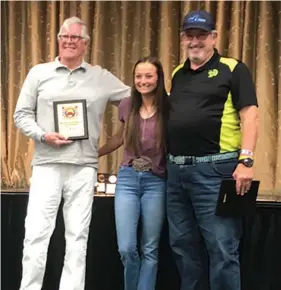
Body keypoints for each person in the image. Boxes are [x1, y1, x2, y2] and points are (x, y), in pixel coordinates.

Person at [13, 16, 130, 290]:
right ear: (58, 40)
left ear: (86, 44)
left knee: (78, 238)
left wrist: (133, 128)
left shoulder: (100, 77)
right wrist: (44, 135)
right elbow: (20, 114)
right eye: (64, 36)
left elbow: (137, 98)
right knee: (35, 235)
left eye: (75, 37)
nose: (68, 41)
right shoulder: (38, 73)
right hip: (46, 165)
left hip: (83, 168)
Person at [166, 10, 259, 290]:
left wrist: (246, 160)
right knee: (182, 246)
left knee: (222, 248)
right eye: (190, 35)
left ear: (214, 37)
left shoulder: (233, 68)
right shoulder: (177, 73)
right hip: (176, 172)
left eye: (201, 35)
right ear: (183, 38)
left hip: (217, 171)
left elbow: (250, 115)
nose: (195, 41)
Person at [98, 56, 169, 290]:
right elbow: (120, 137)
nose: (143, 81)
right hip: (128, 179)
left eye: (149, 76)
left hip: (156, 181)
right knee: (126, 248)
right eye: (139, 76)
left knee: (150, 248)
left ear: (158, 78)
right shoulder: (127, 104)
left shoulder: (170, 107)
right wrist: (94, 154)